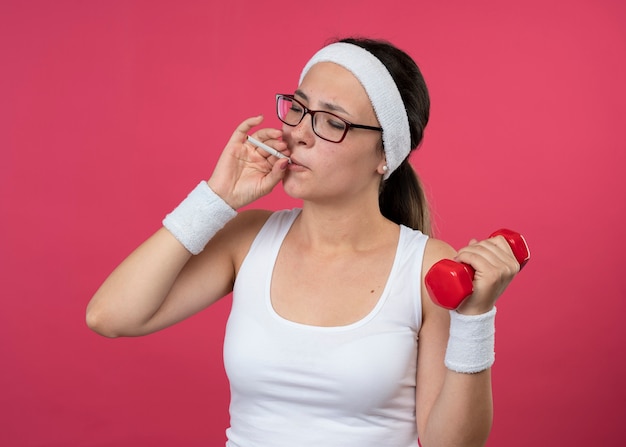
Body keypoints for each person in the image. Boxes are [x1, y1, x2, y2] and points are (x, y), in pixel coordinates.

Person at [86, 37, 521, 447]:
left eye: (332, 121)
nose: (300, 133)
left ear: (386, 155)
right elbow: (110, 316)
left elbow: (451, 442)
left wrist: (475, 319)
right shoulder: (248, 238)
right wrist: (215, 199)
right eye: (297, 108)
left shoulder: (427, 267)